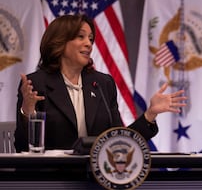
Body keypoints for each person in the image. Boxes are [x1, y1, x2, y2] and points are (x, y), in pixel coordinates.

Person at [15, 14, 187, 152]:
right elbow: (22, 147)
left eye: (91, 38)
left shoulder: (103, 83)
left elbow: (119, 140)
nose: (89, 43)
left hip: (97, 178)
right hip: (53, 179)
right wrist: (27, 111)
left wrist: (150, 114)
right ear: (59, 42)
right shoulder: (36, 84)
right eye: (81, 37)